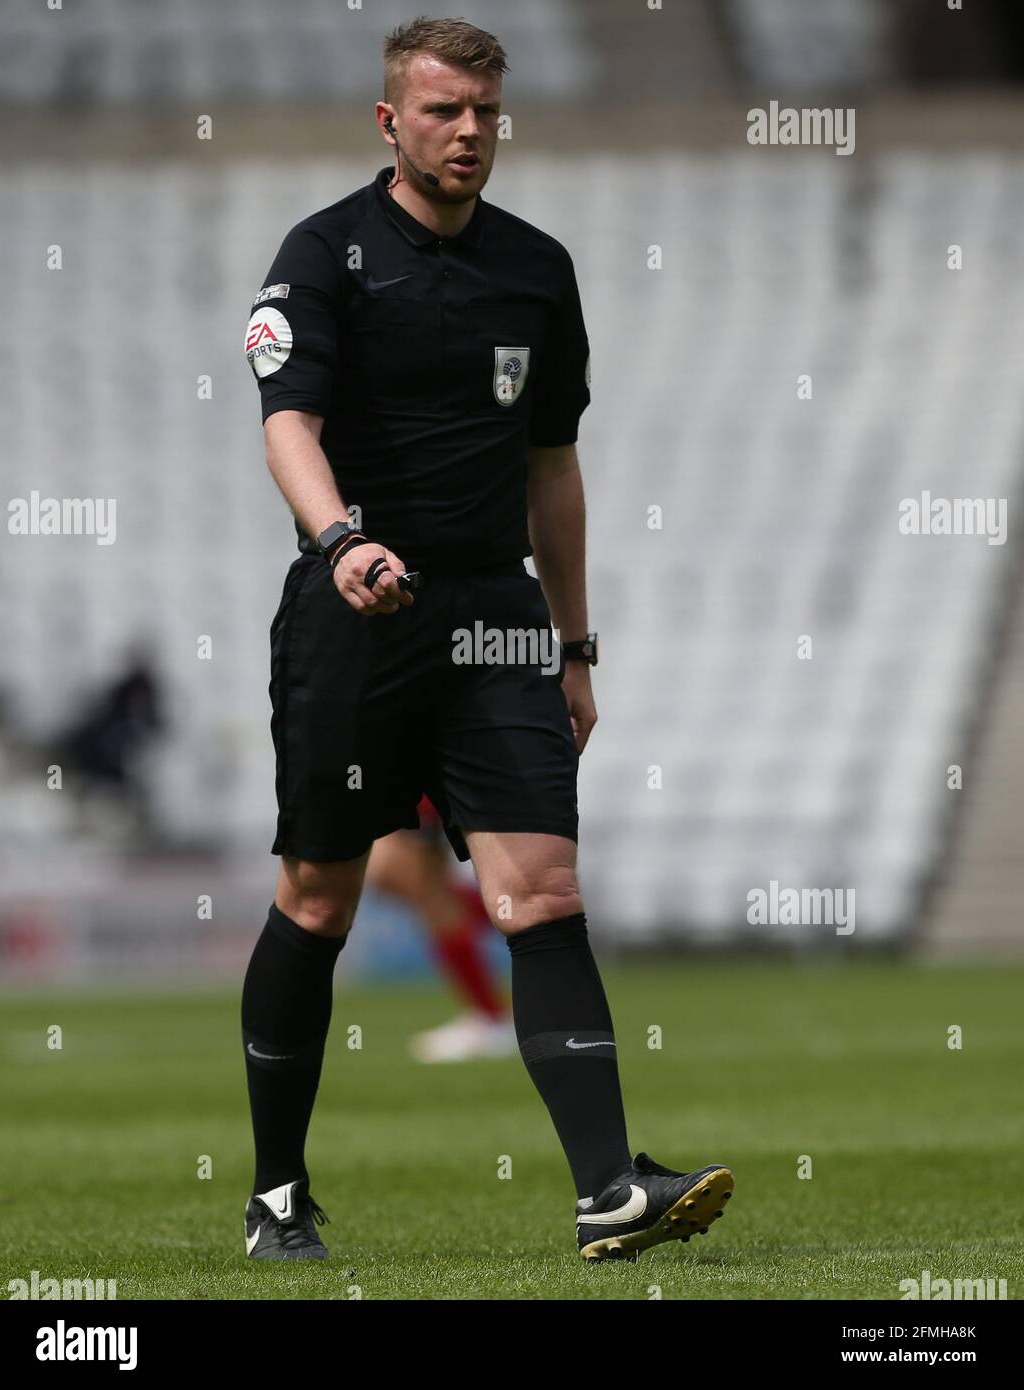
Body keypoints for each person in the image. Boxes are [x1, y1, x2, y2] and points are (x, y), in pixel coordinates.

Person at [241, 15, 734, 1263]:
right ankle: (278, 1194)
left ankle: (606, 1188)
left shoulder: (536, 268)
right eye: (443, 111)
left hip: (497, 620)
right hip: (357, 611)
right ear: (388, 121)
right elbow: (286, 424)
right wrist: (341, 541)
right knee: (317, 896)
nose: (467, 133)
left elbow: (552, 464)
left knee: (544, 890)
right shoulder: (324, 256)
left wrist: (575, 645)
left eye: (484, 114)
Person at [365, 796, 515, 1063]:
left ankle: (492, 1018)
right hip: (404, 773)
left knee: (423, 887)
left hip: (423, 780)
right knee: (398, 877)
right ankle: (539, 926)